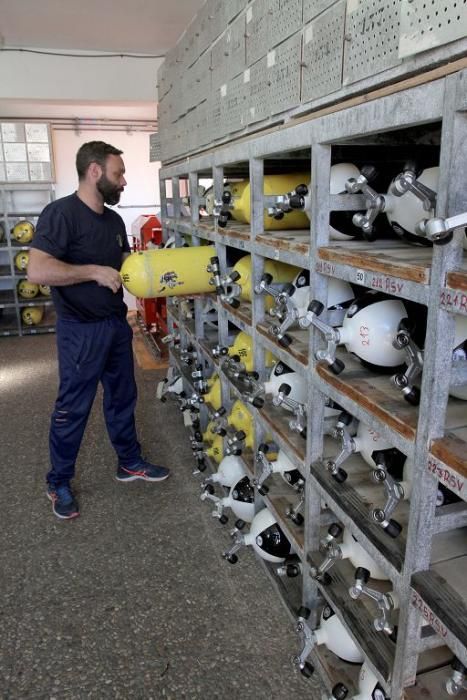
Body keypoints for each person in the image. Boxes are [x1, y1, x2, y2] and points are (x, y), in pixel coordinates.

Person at [28, 141, 169, 520]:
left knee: (123, 397)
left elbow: (120, 261)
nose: (123, 181)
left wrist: (144, 263)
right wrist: (91, 271)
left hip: (114, 325)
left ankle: (129, 462)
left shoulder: (113, 220)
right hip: (81, 332)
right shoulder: (60, 214)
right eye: (118, 173)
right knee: (73, 408)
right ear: (94, 171)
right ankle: (58, 481)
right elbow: (37, 271)